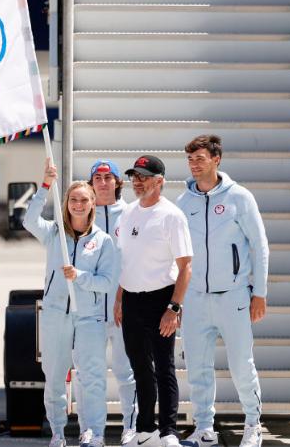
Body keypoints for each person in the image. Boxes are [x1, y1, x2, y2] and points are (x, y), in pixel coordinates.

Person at [175, 135, 269, 447]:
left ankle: (253, 425)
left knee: (242, 365)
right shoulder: (183, 203)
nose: (194, 165)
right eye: (191, 160)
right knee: (198, 369)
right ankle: (204, 429)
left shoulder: (239, 198)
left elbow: (260, 247)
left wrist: (260, 293)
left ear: (217, 159)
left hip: (234, 297)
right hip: (195, 300)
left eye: (200, 159)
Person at [23, 158, 119, 447]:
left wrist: (79, 277)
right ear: (66, 203)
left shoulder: (102, 241)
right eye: (73, 199)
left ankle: (93, 432)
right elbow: (29, 220)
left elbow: (106, 283)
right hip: (55, 315)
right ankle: (58, 432)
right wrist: (45, 185)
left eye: (83, 200)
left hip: (88, 318)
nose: (78, 204)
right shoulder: (54, 233)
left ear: (92, 203)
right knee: (53, 378)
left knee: (91, 378)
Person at [113, 155, 193, 447]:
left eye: (144, 176)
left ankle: (168, 430)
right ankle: (146, 430)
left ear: (160, 181)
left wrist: (174, 308)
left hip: (162, 300)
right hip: (132, 299)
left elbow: (186, 267)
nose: (138, 181)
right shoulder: (128, 213)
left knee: (163, 367)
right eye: (135, 176)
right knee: (140, 368)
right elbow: (126, 261)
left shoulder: (171, 215)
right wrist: (120, 299)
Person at [86, 159, 138, 446]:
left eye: (109, 177)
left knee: (126, 372)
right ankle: (94, 431)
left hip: (124, 310)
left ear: (118, 182)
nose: (103, 182)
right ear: (91, 182)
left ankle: (130, 427)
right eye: (98, 177)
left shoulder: (132, 214)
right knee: (89, 376)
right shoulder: (82, 214)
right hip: (92, 312)